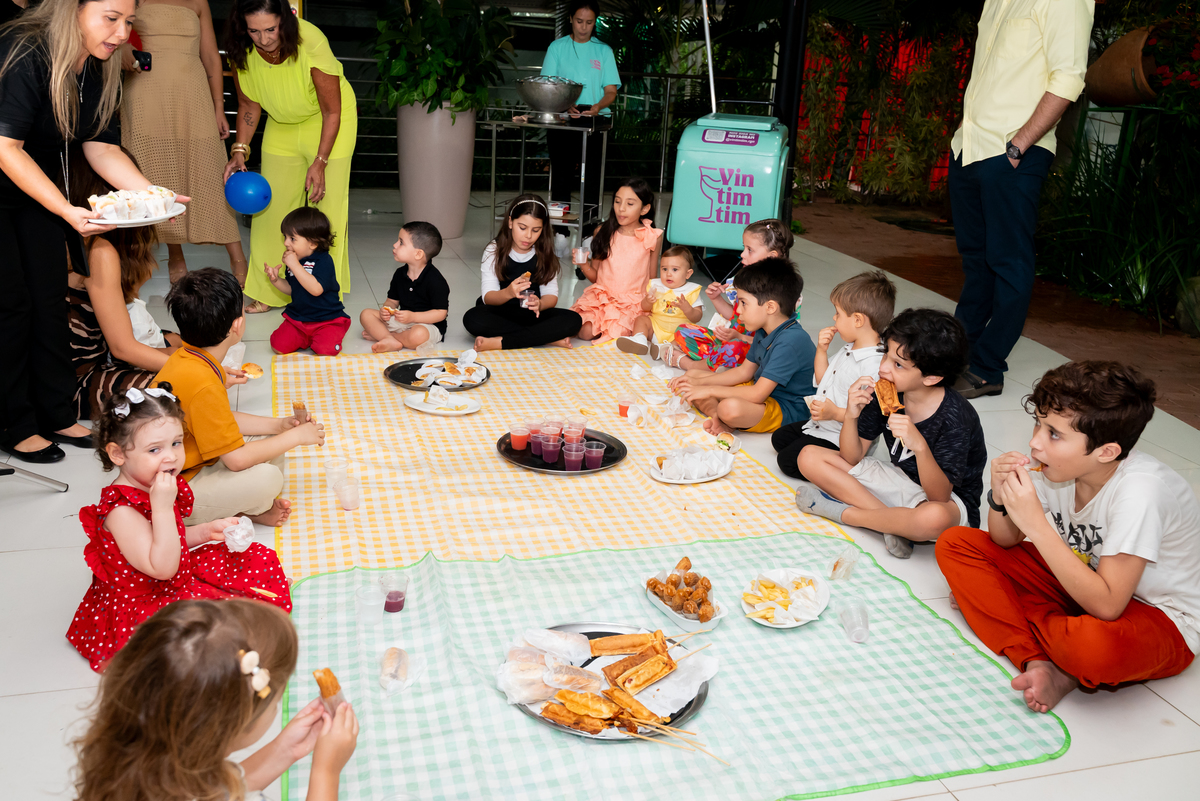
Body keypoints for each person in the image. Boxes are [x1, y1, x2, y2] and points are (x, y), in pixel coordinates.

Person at [937, 362, 1200, 714]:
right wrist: (999, 497)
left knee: (1090, 647)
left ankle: (1030, 631)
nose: (1035, 442)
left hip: (1155, 615)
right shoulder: (1057, 467)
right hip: (1081, 583)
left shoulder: (1141, 493)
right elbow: (1004, 540)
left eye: (1054, 434)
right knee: (957, 543)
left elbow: (1108, 607)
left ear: (1106, 452)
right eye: (1039, 423)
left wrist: (1037, 526)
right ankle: (1038, 661)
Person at [0, 0, 175, 463]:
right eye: (110, 18)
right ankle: (15, 424)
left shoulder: (97, 65)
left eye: (129, 21)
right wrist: (65, 209)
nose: (121, 33)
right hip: (10, 175)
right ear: (71, 9)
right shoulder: (25, 49)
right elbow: (6, 147)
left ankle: (54, 411)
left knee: (48, 298)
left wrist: (155, 197)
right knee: (11, 306)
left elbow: (101, 147)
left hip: (35, 189)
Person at [66, 385, 291, 672]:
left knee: (254, 560)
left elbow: (170, 538)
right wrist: (161, 507)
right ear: (118, 454)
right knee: (211, 640)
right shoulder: (121, 511)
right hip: (147, 598)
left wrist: (206, 531)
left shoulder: (153, 484)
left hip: (173, 572)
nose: (171, 456)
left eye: (176, 443)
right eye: (154, 449)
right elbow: (162, 568)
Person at [949, 0, 1094, 399]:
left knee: (1009, 263)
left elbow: (1068, 79)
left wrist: (1019, 145)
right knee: (976, 261)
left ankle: (987, 367)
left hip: (1013, 152)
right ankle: (957, 355)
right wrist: (963, 134)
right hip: (970, 148)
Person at [73, 599, 359, 800]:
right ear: (236, 723)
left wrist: (285, 749)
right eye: (274, 702)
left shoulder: (134, 763)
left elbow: (217, 791)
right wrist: (326, 772)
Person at [796, 308, 987, 559]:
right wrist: (851, 414)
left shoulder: (955, 417)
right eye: (885, 354)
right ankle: (892, 525)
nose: (884, 368)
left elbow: (939, 497)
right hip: (900, 480)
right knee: (808, 456)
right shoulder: (886, 391)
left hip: (947, 501)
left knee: (934, 518)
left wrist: (920, 446)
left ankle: (844, 513)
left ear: (931, 378)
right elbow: (852, 457)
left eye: (898, 364)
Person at [156, 268, 326, 526]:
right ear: (237, 325)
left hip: (188, 462)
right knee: (268, 479)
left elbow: (219, 418)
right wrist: (297, 437)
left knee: (272, 439)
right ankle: (242, 509)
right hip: (176, 493)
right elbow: (236, 461)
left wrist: (279, 425)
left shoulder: (186, 357)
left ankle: (241, 505)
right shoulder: (204, 383)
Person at [222, 0, 357, 313]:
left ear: (285, 20)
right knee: (271, 210)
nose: (264, 38)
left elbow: (332, 110)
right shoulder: (241, 49)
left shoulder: (310, 40)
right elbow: (249, 105)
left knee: (325, 210)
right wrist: (239, 150)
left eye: (271, 29)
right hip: (282, 123)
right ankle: (269, 291)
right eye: (254, 31)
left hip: (328, 121)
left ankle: (322, 296)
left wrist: (320, 161)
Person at [119, 0, 248, 285]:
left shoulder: (198, 1)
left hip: (193, 93)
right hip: (145, 93)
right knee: (157, 173)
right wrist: (123, 51)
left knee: (211, 172)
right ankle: (175, 254)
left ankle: (237, 256)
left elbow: (211, 57)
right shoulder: (134, 0)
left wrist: (218, 106)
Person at [64, 147, 182, 419]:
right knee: (180, 386)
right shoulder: (98, 250)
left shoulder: (68, 235)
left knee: (174, 340)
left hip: (91, 356)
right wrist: (200, 369)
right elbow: (123, 348)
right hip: (76, 381)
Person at [669, 257, 814, 436]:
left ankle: (723, 415)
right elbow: (743, 372)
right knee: (691, 376)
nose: (737, 311)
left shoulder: (790, 341)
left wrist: (706, 389)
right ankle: (718, 418)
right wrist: (698, 383)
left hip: (786, 407)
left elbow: (757, 394)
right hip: (761, 391)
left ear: (770, 307)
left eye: (743, 303)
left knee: (729, 408)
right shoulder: (764, 329)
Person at [773, 270, 895, 480]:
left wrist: (834, 413)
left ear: (858, 320)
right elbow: (823, 380)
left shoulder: (875, 366)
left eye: (838, 313)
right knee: (779, 438)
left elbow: (868, 417)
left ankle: (840, 466)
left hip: (842, 437)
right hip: (823, 425)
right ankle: (821, 456)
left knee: (787, 461)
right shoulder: (849, 348)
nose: (833, 318)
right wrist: (821, 350)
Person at [667, 219, 793, 371]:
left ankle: (690, 363)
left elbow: (774, 342)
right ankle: (718, 362)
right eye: (744, 247)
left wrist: (740, 337)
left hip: (754, 349)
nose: (742, 254)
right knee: (683, 330)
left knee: (734, 348)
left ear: (771, 256)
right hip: (731, 339)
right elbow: (735, 316)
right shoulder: (743, 279)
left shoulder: (782, 293)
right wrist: (716, 298)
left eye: (750, 250)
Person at [465, 194, 583, 352]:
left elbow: (551, 295)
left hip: (532, 314)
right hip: (501, 311)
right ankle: (546, 337)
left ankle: (501, 342)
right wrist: (509, 292)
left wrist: (540, 304)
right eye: (522, 227)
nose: (528, 236)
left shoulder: (545, 253)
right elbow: (488, 297)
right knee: (473, 319)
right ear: (510, 222)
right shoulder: (494, 249)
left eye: (536, 230)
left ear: (543, 229)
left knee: (574, 320)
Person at [540, 0, 620, 227]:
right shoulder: (557, 48)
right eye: (579, 21)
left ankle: (588, 230)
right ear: (570, 19)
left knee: (592, 177)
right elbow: (548, 85)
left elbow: (611, 91)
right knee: (561, 175)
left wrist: (598, 106)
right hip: (563, 116)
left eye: (589, 22)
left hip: (594, 117)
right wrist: (565, 105)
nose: (584, 27)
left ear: (595, 22)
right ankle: (560, 232)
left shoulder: (604, 51)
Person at [573, 177, 660, 342]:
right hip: (603, 301)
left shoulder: (652, 236)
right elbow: (596, 277)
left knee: (621, 332)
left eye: (630, 203)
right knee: (585, 332)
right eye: (617, 201)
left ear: (644, 209)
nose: (621, 209)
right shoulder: (602, 232)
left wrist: (652, 305)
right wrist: (583, 264)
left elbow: (652, 279)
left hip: (633, 303)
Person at [265, 207, 349, 356]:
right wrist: (276, 280)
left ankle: (332, 331)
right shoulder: (294, 261)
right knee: (278, 346)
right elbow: (292, 289)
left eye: (292, 238)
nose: (286, 243)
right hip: (299, 318)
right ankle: (306, 338)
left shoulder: (324, 261)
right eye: (285, 237)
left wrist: (295, 265)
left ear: (313, 243)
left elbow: (316, 289)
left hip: (327, 319)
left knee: (326, 350)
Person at [360, 220, 449, 354]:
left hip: (427, 325)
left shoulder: (436, 280)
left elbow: (440, 313)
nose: (395, 245)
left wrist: (413, 317)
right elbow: (392, 301)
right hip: (402, 320)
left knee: (418, 335)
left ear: (418, 254)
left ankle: (386, 337)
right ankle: (391, 338)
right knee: (366, 314)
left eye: (401, 242)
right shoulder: (399, 274)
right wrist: (386, 309)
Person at [614, 245, 703, 357]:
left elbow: (697, 317)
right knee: (641, 319)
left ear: (688, 274)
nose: (668, 274)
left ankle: (665, 349)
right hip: (656, 327)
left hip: (678, 333)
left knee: (690, 334)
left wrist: (688, 309)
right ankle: (640, 339)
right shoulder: (656, 286)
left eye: (675, 269)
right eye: (664, 269)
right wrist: (648, 301)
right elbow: (644, 308)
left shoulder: (691, 291)